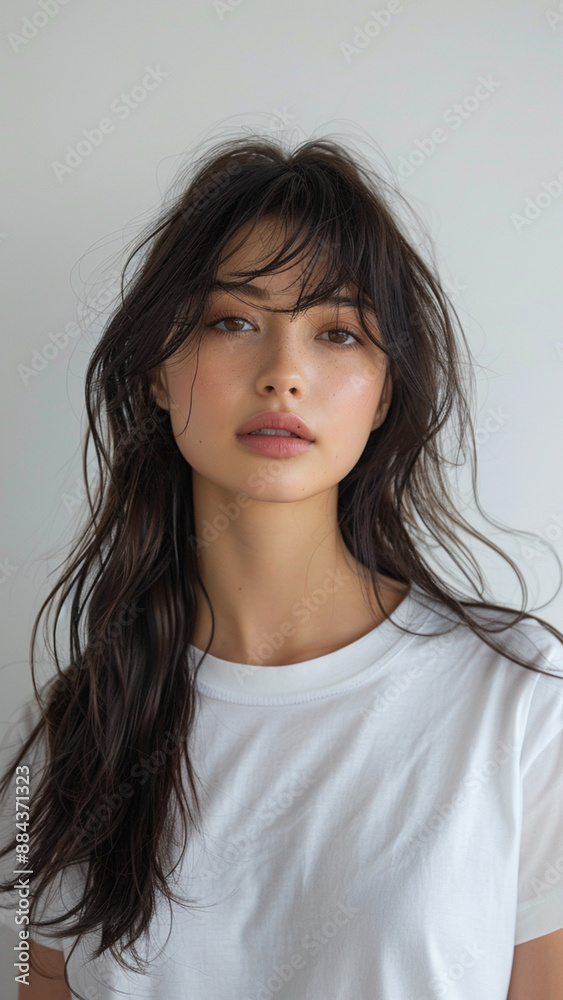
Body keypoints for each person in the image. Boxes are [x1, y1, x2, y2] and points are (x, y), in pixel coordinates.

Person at [1, 133, 563, 1000]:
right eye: (232, 321)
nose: (283, 374)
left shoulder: (520, 702)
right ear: (156, 372)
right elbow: (27, 978)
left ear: (385, 390)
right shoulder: (72, 734)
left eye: (336, 332)